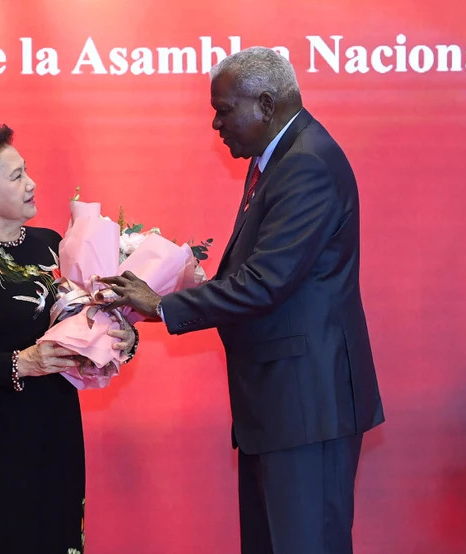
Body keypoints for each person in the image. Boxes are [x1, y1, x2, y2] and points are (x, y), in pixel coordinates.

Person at [101, 47, 384, 554]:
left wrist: (163, 306)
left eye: (224, 110)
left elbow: (265, 282)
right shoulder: (280, 159)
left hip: (306, 405)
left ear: (267, 104)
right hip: (283, 404)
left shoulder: (306, 165)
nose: (215, 123)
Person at [0, 124, 135, 554]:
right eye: (16, 177)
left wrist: (120, 338)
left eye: (27, 171)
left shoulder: (53, 246)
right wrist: (21, 363)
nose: (32, 184)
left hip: (54, 427)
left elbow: (85, 321)